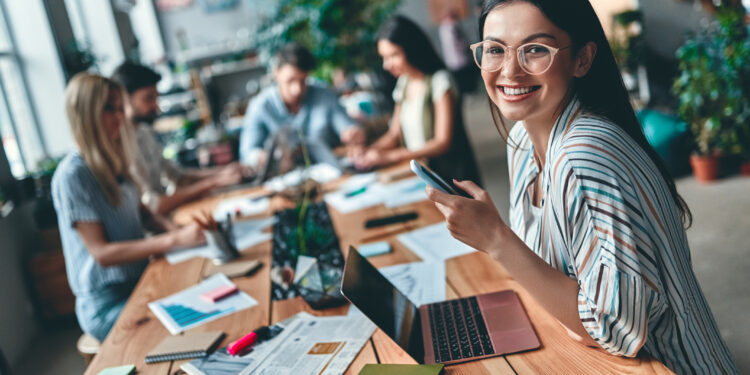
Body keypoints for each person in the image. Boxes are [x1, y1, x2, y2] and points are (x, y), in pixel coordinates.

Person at [426, 1, 737, 373]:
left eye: (536, 49)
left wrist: (496, 239)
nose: (510, 70)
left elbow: (616, 331)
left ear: (582, 59)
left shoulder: (585, 153)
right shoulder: (522, 140)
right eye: (495, 49)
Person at [52, 73, 206, 341]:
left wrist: (179, 232)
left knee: (201, 297)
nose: (120, 116)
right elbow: (102, 254)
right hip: (107, 305)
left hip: (139, 283)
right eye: (109, 108)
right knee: (190, 326)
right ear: (87, 114)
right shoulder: (72, 174)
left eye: (119, 107)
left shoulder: (116, 159)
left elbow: (145, 217)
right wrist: (174, 239)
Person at [353, 16, 481, 184]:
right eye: (383, 57)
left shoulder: (440, 81)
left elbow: (443, 141)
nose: (386, 65)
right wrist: (369, 151)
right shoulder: (404, 82)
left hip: (452, 178)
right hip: (422, 176)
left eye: (393, 55)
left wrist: (391, 156)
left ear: (411, 49)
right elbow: (394, 133)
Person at [111, 62, 245, 215]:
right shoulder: (120, 146)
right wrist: (213, 182)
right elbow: (153, 206)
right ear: (124, 99)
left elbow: (177, 176)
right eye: (148, 99)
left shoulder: (145, 131)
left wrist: (223, 172)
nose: (157, 107)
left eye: (156, 98)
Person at [239, 43, 365, 168]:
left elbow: (346, 126)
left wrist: (352, 134)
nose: (297, 89)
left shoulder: (323, 94)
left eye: (302, 81)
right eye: (290, 80)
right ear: (276, 73)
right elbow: (247, 154)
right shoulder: (260, 106)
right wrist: (265, 158)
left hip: (328, 173)